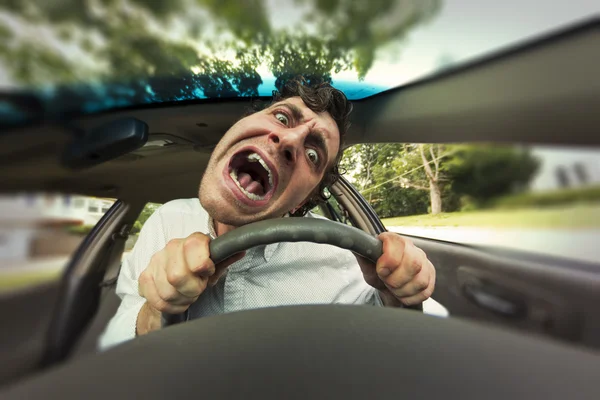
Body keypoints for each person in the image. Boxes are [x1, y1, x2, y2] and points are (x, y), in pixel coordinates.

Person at [99, 77, 436, 349]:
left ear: (301, 203)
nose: (289, 140)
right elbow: (115, 341)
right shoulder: (166, 221)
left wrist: (399, 293)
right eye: (281, 117)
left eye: (314, 155)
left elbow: (417, 336)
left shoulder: (340, 255)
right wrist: (154, 313)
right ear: (239, 126)